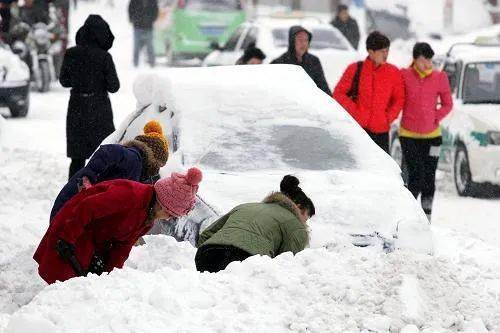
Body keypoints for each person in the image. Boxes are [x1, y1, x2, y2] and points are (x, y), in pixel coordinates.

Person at [34, 167, 203, 284]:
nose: (167, 218)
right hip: (74, 226)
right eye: (169, 213)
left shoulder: (147, 217)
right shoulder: (130, 196)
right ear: (161, 203)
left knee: (79, 285)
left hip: (94, 238)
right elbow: (87, 207)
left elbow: (123, 246)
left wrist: (110, 274)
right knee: (62, 281)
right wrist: (67, 238)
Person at [50, 120, 169, 221]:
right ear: (152, 157)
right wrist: (90, 202)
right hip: (70, 214)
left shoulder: (134, 165)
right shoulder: (128, 158)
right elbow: (86, 178)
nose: (156, 170)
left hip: (74, 214)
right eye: (158, 165)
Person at [195, 175, 315, 273]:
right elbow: (288, 263)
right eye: (306, 218)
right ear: (299, 207)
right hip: (247, 260)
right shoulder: (295, 224)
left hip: (207, 253)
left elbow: (206, 235)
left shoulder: (245, 206)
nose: (305, 223)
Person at [60, 15, 120, 179]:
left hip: (77, 107)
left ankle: (72, 193)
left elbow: (64, 81)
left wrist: (79, 79)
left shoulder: (71, 54)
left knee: (77, 158)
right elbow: (114, 87)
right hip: (99, 109)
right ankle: (99, 191)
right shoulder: (104, 57)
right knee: (101, 155)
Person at [400, 42, 453, 221]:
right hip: (408, 136)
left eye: (430, 60)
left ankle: (426, 216)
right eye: (423, 60)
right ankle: (410, 215)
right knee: (415, 174)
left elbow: (448, 104)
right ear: (415, 60)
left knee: (429, 177)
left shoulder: (440, 77)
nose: (427, 64)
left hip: (433, 137)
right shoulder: (404, 75)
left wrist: (435, 117)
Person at [333, 31, 404, 153]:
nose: (386, 54)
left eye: (387, 50)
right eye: (382, 51)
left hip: (381, 131)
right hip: (358, 129)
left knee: (380, 168)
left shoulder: (393, 72)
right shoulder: (355, 69)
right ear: (371, 52)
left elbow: (399, 99)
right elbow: (338, 94)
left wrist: (388, 118)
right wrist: (356, 112)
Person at [271, 26, 331, 95]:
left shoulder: (314, 61)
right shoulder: (279, 63)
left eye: (306, 40)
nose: (304, 43)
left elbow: (323, 87)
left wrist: (331, 103)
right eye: (300, 40)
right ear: (292, 42)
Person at [128, 0, 158, 67]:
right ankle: (135, 64)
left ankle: (152, 64)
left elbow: (156, 10)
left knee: (150, 46)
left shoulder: (152, 1)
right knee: (136, 47)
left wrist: (152, 20)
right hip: (137, 26)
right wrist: (132, 19)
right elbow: (130, 9)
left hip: (149, 27)